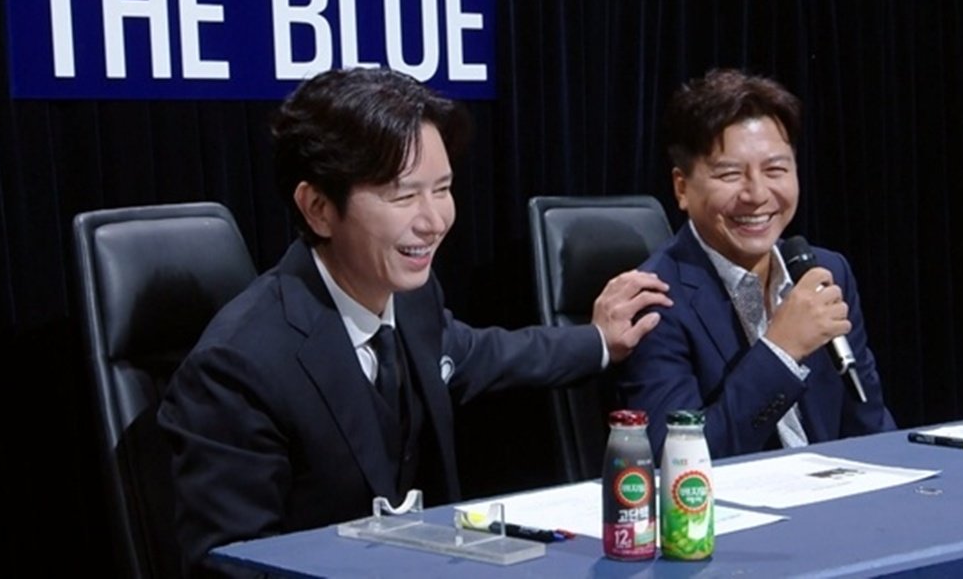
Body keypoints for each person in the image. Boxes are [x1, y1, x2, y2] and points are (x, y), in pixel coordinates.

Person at [158, 67, 672, 577]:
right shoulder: (238, 366)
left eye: (442, 189)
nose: (433, 221)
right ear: (318, 208)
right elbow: (230, 566)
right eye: (403, 196)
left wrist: (598, 340)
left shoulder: (412, 298)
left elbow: (482, 354)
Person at [615, 68, 894, 461]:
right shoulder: (654, 298)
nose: (757, 194)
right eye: (730, 174)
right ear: (682, 188)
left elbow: (870, 424)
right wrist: (781, 350)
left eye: (776, 170)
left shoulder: (827, 273)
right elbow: (675, 461)